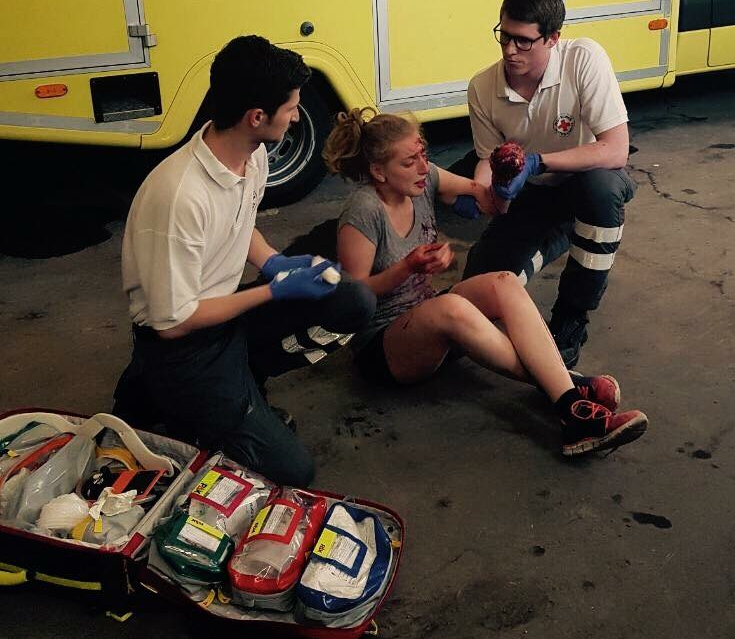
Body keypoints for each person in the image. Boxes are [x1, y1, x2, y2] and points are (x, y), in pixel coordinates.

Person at [112, 36, 376, 487]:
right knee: (293, 471)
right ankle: (162, 401)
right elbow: (171, 324)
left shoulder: (251, 155)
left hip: (225, 313)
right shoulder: (179, 196)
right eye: (291, 107)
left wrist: (273, 262)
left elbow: (240, 223)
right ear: (257, 116)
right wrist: (271, 291)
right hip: (181, 350)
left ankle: (243, 378)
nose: (296, 115)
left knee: (353, 301)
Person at [325, 109, 647, 456]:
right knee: (451, 306)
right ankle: (572, 398)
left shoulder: (425, 179)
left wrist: (508, 177)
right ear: (378, 171)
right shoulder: (363, 212)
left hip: (427, 321)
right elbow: (352, 300)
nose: (422, 167)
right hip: (384, 348)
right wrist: (407, 268)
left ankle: (568, 398)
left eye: (423, 155)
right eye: (408, 162)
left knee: (503, 282)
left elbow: (485, 195)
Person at [453, 0, 636, 368]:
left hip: (583, 184)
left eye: (523, 41)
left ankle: (571, 315)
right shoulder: (483, 87)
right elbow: (488, 161)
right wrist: (488, 192)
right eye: (504, 37)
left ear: (552, 38)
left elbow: (616, 150)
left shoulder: (583, 59)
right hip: (532, 197)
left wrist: (537, 161)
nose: (509, 50)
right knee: (477, 296)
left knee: (601, 190)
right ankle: (562, 234)